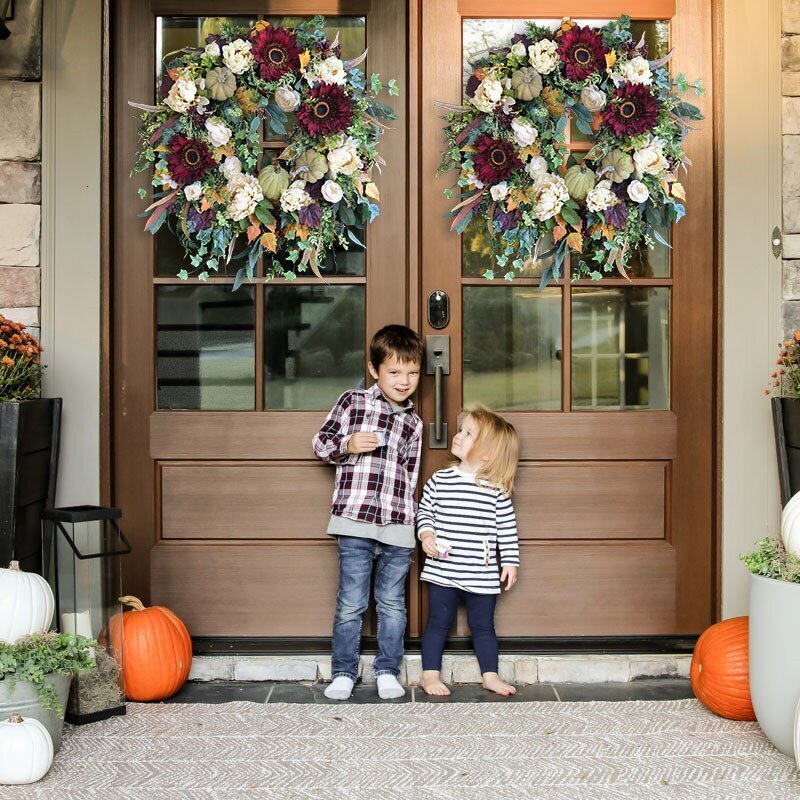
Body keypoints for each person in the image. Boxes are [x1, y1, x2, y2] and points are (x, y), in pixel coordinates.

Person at [312, 325, 424, 701]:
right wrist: (348, 444)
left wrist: (411, 525)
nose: (404, 381)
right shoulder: (352, 402)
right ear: (375, 370)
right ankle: (343, 672)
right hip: (355, 520)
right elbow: (320, 443)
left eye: (412, 372)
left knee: (392, 603)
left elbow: (410, 476)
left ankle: (387, 670)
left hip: (397, 523)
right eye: (394, 372)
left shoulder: (413, 423)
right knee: (351, 602)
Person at [417, 405, 520, 696]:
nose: (458, 436)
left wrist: (510, 562)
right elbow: (425, 513)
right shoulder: (440, 480)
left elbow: (506, 529)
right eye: (461, 430)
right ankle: (430, 675)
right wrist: (426, 535)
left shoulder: (496, 490)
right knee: (438, 623)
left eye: (468, 434)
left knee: (483, 626)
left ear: (487, 453)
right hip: (443, 569)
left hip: (481, 572)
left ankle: (490, 675)